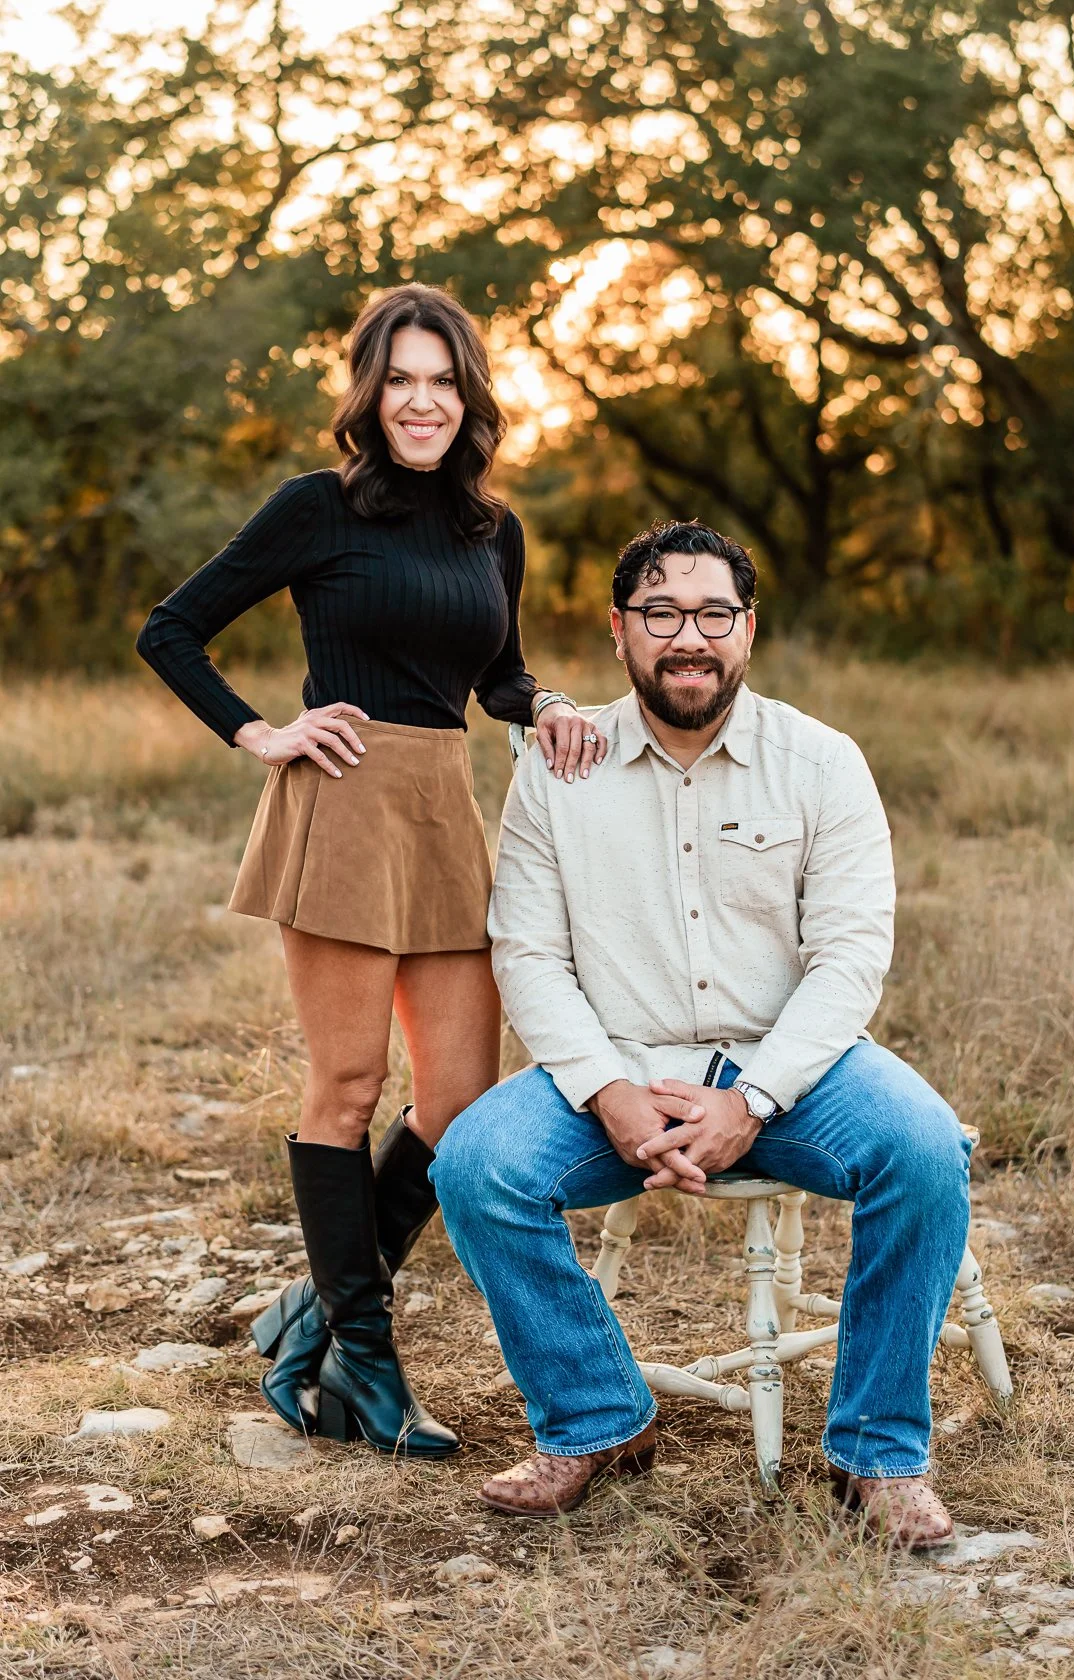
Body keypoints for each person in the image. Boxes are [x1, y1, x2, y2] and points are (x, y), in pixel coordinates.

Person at [432, 519, 972, 1543]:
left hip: (788, 1068)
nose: (690, 636)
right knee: (475, 1164)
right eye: (662, 613)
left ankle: (875, 1452)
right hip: (620, 1063)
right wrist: (606, 1091)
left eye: (713, 613)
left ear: (748, 629)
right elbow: (528, 953)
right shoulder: (559, 769)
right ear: (618, 630)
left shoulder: (820, 761)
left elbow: (849, 957)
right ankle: (597, 1421)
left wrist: (754, 1098)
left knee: (923, 1149)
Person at [136, 283, 603, 1457]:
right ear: (368, 392)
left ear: (469, 397)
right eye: (399, 379)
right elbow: (170, 630)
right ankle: (366, 1363)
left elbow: (494, 672)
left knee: (461, 1106)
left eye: (441, 380)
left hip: (444, 813)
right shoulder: (316, 509)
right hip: (340, 806)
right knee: (344, 1091)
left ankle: (316, 1307)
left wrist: (541, 703)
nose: (421, 401)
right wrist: (262, 732)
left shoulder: (492, 532)